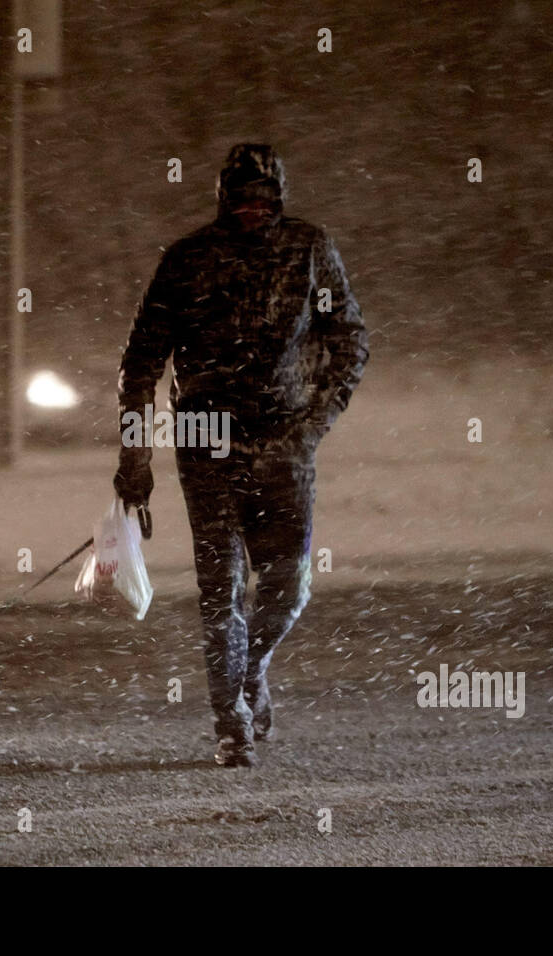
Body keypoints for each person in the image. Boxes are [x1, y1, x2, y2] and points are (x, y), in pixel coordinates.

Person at [114, 143, 369, 767]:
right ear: (223, 200)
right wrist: (135, 461)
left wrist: (311, 428)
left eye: (264, 199)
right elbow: (140, 365)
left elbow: (350, 343)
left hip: (285, 443)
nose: (253, 210)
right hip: (206, 442)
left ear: (279, 198)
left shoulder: (309, 251)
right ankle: (230, 722)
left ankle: (250, 667)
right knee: (220, 588)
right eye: (241, 200)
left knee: (289, 587)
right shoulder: (186, 260)